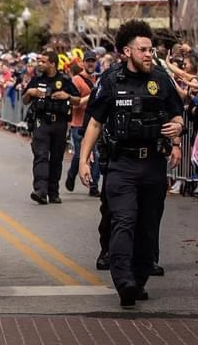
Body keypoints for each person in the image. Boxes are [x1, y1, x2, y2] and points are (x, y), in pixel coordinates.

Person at [78, 19, 184, 307]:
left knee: (148, 226)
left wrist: (177, 132)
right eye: (144, 49)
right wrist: (83, 160)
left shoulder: (161, 80)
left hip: (153, 164)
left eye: (151, 49)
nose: (150, 54)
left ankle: (137, 280)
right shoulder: (111, 81)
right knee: (123, 220)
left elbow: (177, 114)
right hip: (122, 164)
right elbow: (95, 123)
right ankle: (123, 280)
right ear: (127, 52)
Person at [23, 51, 79, 205]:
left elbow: (78, 100)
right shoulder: (36, 80)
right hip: (42, 123)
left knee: (56, 158)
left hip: (59, 124)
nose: (39, 64)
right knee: (40, 155)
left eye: (43, 61)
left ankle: (53, 192)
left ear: (52, 64)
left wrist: (66, 96)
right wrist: (30, 92)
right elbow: (25, 100)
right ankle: (40, 190)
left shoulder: (65, 81)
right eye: (39, 61)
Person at [64, 56, 99, 196]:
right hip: (78, 123)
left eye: (93, 61)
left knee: (95, 155)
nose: (91, 64)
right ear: (83, 63)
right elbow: (74, 103)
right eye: (88, 61)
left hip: (94, 124)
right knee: (80, 155)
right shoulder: (76, 80)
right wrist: (90, 97)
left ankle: (94, 186)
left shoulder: (97, 80)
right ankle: (71, 175)